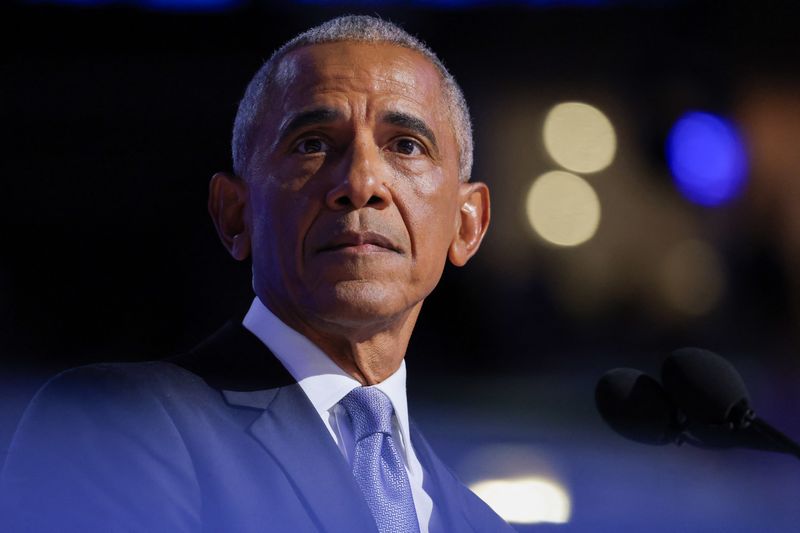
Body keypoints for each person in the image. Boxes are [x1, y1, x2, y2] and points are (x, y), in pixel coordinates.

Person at [0, 15, 514, 532]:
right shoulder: (118, 424)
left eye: (405, 145)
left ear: (467, 224)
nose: (361, 182)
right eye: (313, 143)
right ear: (233, 214)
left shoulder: (482, 523)